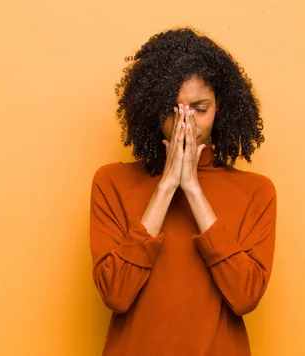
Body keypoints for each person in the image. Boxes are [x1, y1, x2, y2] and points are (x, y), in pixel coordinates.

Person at [89, 27, 277, 356]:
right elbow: (116, 295)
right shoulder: (111, 182)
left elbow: (245, 297)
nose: (185, 123)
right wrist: (165, 188)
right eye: (171, 110)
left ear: (222, 109)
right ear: (150, 109)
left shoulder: (256, 192)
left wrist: (192, 188)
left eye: (199, 109)